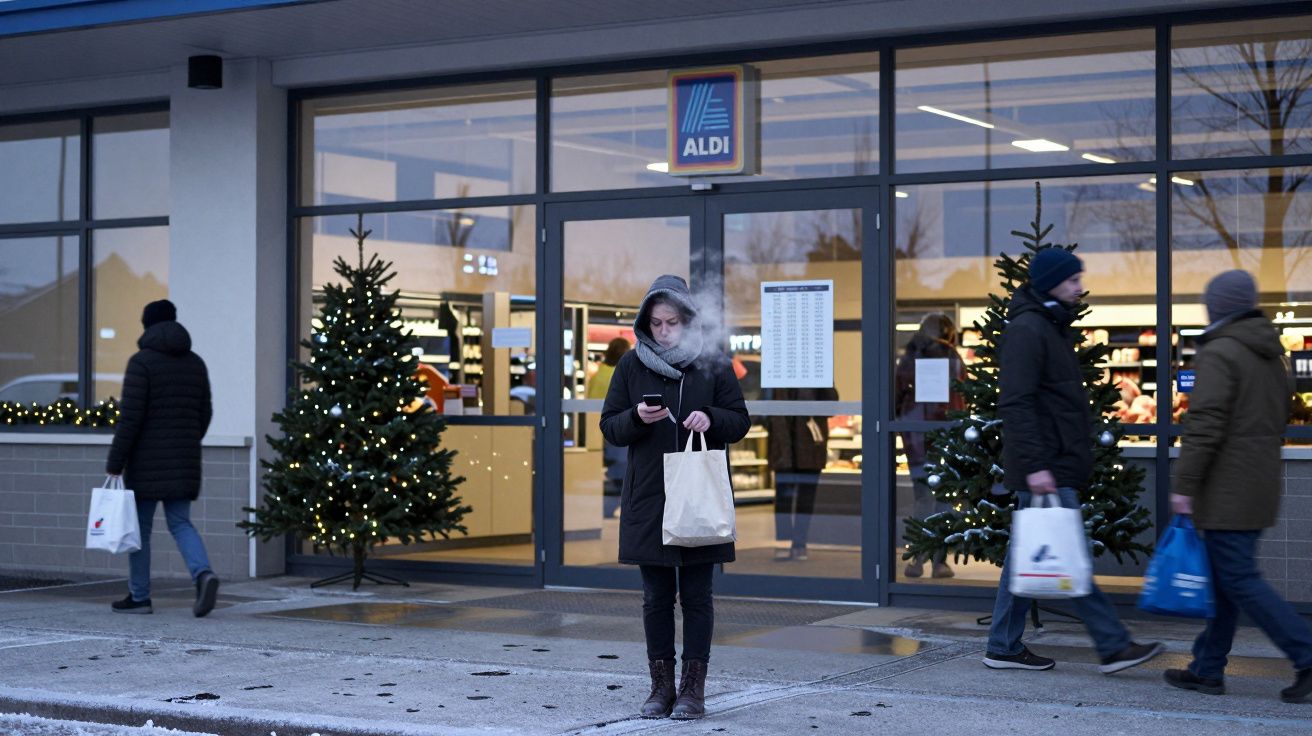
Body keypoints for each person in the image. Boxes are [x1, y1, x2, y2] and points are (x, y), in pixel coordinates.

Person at [985, 248, 1162, 673]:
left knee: (1029, 554)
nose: (1079, 286)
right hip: (1046, 465)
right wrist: (1037, 466)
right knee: (1072, 557)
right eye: (1071, 279)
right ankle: (1113, 643)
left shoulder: (1050, 325)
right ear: (1050, 282)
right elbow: (1016, 403)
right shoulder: (1030, 328)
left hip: (1053, 460)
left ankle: (1003, 645)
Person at [600, 275, 750, 720]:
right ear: (645, 323)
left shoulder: (713, 363)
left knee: (698, 597)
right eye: (656, 323)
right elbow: (610, 426)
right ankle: (660, 689)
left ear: (688, 321)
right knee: (655, 598)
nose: (664, 331)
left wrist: (711, 418)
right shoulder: (631, 365)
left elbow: (739, 420)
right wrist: (637, 417)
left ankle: (692, 691)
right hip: (650, 495)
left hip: (698, 494)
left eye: (672, 323)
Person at [1163, 270, 1312, 704]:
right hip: (1259, 478)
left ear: (1218, 306)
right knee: (1225, 581)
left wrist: (1185, 482)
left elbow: (1205, 425)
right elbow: (1282, 410)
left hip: (1227, 485)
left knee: (1240, 580)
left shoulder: (1221, 352)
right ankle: (1207, 669)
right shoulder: (1270, 352)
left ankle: (1305, 654)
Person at [106, 299, 219, 618]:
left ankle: (140, 597)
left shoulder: (141, 362)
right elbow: (205, 411)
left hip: (145, 462)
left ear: (147, 327)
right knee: (181, 522)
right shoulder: (195, 362)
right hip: (184, 459)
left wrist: (116, 461)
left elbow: (131, 418)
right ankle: (203, 574)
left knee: (139, 530)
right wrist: (187, 440)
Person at [895, 312, 965, 578]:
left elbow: (897, 395)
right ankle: (939, 561)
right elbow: (962, 397)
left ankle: (916, 559)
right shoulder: (954, 359)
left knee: (922, 499)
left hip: (916, 439)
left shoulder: (910, 357)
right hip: (947, 437)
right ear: (949, 333)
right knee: (944, 502)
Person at [766, 386, 837, 561]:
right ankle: (783, 543)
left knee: (806, 498)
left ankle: (799, 543)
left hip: (810, 446)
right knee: (783, 497)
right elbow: (763, 409)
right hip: (783, 445)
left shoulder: (818, 372)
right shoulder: (777, 373)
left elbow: (831, 406)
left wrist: (824, 380)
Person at [589, 338, 631, 518]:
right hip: (619, 427)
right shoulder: (622, 373)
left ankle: (609, 507)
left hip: (598, 429)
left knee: (615, 469)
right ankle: (610, 507)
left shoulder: (598, 373)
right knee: (621, 471)